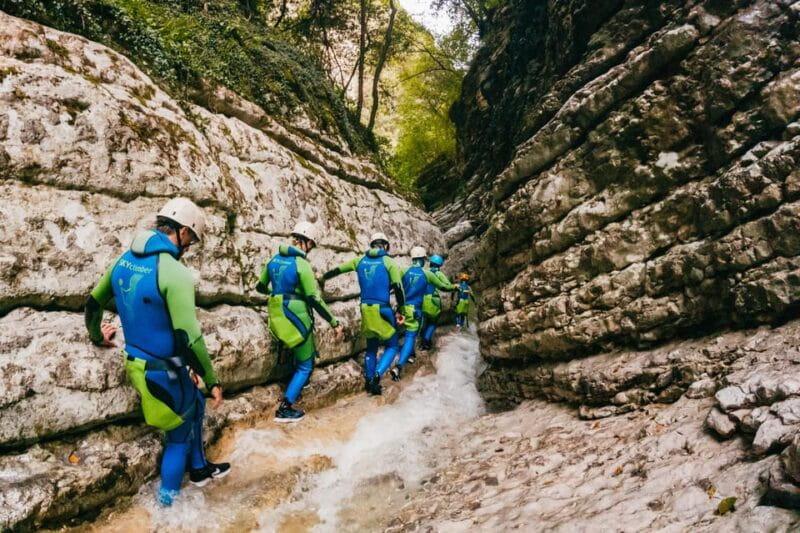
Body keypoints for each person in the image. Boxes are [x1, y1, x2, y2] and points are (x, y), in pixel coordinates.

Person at [84, 197, 229, 507]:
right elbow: (189, 337)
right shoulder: (174, 272)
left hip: (138, 364)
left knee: (195, 404)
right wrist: (212, 378)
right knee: (177, 439)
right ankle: (167, 507)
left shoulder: (123, 260)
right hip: (164, 372)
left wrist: (97, 335)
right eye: (192, 239)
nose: (190, 247)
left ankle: (201, 469)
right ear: (184, 232)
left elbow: (93, 303)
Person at [256, 221, 343, 422]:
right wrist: (334, 322)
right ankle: (285, 408)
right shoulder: (301, 264)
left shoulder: (273, 260)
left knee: (299, 355)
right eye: (311, 245)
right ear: (307, 242)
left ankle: (297, 383)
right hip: (296, 318)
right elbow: (313, 298)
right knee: (306, 364)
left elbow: (260, 287)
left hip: (277, 318)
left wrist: (276, 294)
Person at [321, 232, 409, 395]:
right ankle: (376, 376)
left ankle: (369, 380)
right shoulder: (388, 261)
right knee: (392, 345)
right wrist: (401, 311)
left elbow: (338, 270)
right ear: (386, 246)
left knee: (371, 347)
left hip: (366, 309)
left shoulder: (359, 260)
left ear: (372, 245)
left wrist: (322, 278)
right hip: (383, 308)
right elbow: (398, 288)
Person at [389, 246, 454, 381]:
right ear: (421, 259)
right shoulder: (427, 274)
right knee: (410, 336)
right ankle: (399, 367)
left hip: (402, 308)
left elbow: (392, 284)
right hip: (415, 309)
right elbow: (444, 287)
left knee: (404, 333)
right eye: (424, 259)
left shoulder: (403, 270)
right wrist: (456, 287)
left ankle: (408, 354)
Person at [419, 254, 454, 351]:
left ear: (430, 263)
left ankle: (421, 342)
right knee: (433, 323)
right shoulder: (439, 274)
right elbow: (447, 285)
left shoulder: (425, 272)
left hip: (423, 300)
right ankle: (426, 342)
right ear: (440, 265)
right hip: (433, 301)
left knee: (423, 322)